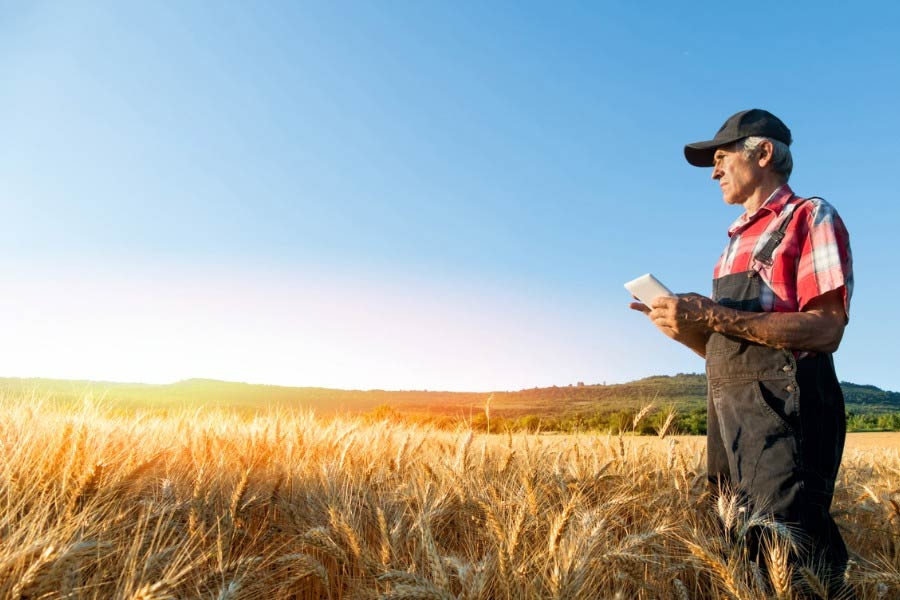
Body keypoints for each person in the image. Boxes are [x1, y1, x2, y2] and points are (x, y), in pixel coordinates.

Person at [631, 109, 853, 595]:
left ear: (764, 153)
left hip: (787, 415)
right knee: (741, 552)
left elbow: (826, 330)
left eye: (721, 157)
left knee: (794, 556)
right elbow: (730, 353)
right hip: (730, 420)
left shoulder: (809, 217)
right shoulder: (731, 244)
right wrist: (685, 329)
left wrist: (712, 315)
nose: (713, 171)